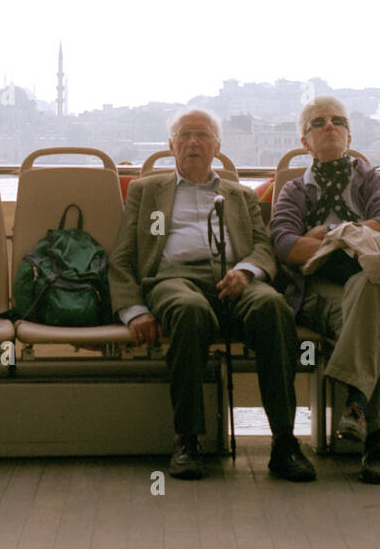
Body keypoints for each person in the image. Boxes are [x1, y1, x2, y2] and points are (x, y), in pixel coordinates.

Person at [109, 108, 316, 482]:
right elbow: (122, 256)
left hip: (236, 279)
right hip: (174, 279)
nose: (193, 143)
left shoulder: (239, 196)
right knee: (190, 311)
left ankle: (284, 442)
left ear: (217, 147)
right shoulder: (146, 191)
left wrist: (247, 271)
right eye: (184, 136)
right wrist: (134, 309)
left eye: (202, 136)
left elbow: (262, 247)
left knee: (273, 307)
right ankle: (187, 440)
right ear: (172, 146)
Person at [271, 96, 380, 484]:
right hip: (319, 292)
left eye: (337, 121)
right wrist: (352, 236)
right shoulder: (295, 191)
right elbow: (285, 245)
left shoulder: (371, 180)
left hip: (374, 277)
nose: (329, 126)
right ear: (305, 141)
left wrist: (324, 236)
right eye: (318, 123)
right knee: (374, 310)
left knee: (370, 288)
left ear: (349, 135)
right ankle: (375, 441)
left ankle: (358, 404)